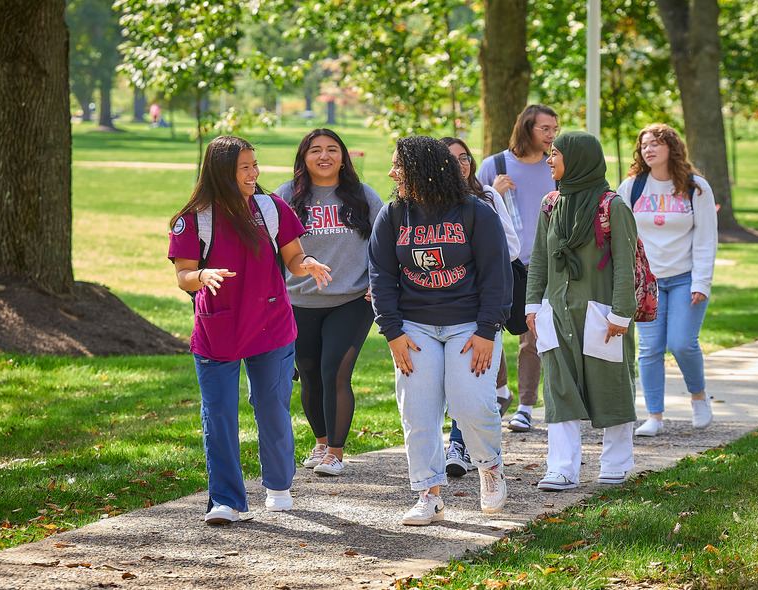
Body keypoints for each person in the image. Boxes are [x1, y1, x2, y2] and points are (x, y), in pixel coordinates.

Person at [168, 135, 332, 524]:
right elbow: (183, 275)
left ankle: (278, 486)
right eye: (245, 167)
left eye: (255, 165)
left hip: (270, 324)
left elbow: (292, 256)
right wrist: (202, 275)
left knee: (272, 407)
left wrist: (306, 263)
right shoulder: (193, 218)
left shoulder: (271, 207)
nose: (254, 173)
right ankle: (225, 501)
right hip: (217, 328)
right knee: (219, 413)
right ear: (222, 171)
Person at [369, 136, 512, 525]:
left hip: (470, 326)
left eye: (399, 165)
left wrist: (487, 330)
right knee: (417, 410)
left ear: (423, 170)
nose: (391, 173)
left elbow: (497, 276)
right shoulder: (394, 214)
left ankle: (490, 468)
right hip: (414, 328)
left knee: (471, 404)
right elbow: (380, 276)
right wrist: (392, 331)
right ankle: (428, 494)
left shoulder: (475, 212)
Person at [525, 131, 638, 490]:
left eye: (555, 153)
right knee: (559, 389)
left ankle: (617, 462)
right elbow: (540, 259)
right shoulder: (551, 204)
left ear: (577, 159)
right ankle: (561, 468)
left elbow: (625, 265)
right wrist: (532, 304)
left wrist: (620, 315)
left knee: (611, 384)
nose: (549, 160)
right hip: (556, 313)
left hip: (602, 314)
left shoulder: (613, 206)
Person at [274, 129, 384, 477]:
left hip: (351, 298)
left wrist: (380, 283)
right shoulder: (285, 197)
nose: (324, 156)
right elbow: (268, 249)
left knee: (334, 370)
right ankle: (321, 442)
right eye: (315, 150)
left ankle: (335, 452)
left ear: (343, 156)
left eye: (332, 149)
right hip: (299, 300)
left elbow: (388, 243)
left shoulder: (363, 196)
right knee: (308, 374)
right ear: (303, 157)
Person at [616, 123, 718, 437]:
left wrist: (702, 281)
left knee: (682, 344)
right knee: (650, 349)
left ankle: (699, 397)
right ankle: (655, 416)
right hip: (648, 283)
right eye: (644, 145)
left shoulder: (694, 186)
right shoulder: (631, 187)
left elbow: (705, 238)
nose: (648, 149)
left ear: (672, 148)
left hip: (686, 278)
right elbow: (623, 237)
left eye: (655, 144)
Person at [440, 136, 520, 477]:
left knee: (468, 380)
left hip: (478, 303)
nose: (461, 164)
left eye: (464, 157)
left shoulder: (487, 197)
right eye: (451, 159)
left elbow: (512, 248)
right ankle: (469, 444)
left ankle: (461, 445)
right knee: (448, 382)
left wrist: (478, 249)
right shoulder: (424, 204)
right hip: (438, 302)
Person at [478, 104, 559, 434]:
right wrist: (493, 192)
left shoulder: (555, 166)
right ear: (527, 128)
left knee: (532, 338)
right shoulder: (494, 165)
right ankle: (501, 391)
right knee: (490, 333)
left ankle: (526, 405)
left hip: (542, 265)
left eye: (555, 128)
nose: (552, 135)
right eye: (545, 128)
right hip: (500, 263)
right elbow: (472, 209)